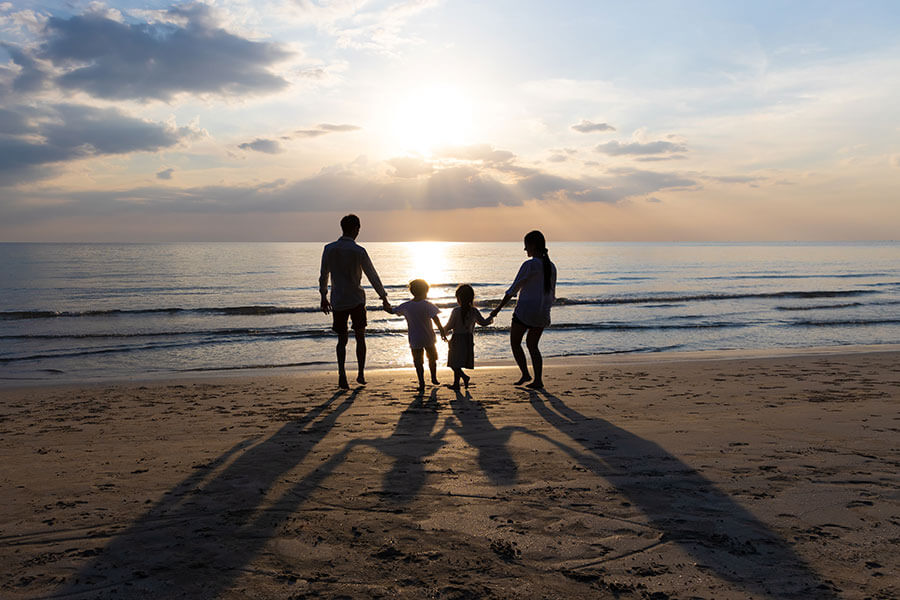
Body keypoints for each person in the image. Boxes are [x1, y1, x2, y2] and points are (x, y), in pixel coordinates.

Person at [319, 214, 390, 389]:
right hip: (356, 299)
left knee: (342, 340)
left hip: (338, 300)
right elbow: (372, 275)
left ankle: (342, 374)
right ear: (355, 229)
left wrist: (323, 296)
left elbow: (324, 275)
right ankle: (360, 373)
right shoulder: (359, 251)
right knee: (360, 337)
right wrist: (383, 297)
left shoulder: (329, 249)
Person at [489, 230, 556, 389]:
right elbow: (551, 293)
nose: (525, 250)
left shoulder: (530, 265)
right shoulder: (551, 266)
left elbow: (513, 289)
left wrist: (497, 309)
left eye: (526, 246)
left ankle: (526, 374)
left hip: (525, 311)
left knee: (515, 343)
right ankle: (538, 380)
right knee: (533, 346)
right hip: (542, 312)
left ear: (532, 246)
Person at [384, 279, 446, 392]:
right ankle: (433, 377)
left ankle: (421, 382)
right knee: (432, 358)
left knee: (418, 362)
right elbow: (435, 318)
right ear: (425, 291)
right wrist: (442, 331)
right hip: (428, 338)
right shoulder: (428, 305)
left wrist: (385, 303)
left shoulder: (406, 306)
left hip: (415, 339)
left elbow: (392, 311)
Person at [444, 284, 493, 390]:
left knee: (453, 362)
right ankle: (456, 383)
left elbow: (450, 325)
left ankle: (464, 378)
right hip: (468, 339)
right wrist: (491, 317)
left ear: (458, 298)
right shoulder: (474, 311)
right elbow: (483, 323)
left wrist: (443, 331)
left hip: (457, 339)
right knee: (458, 362)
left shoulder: (456, 311)